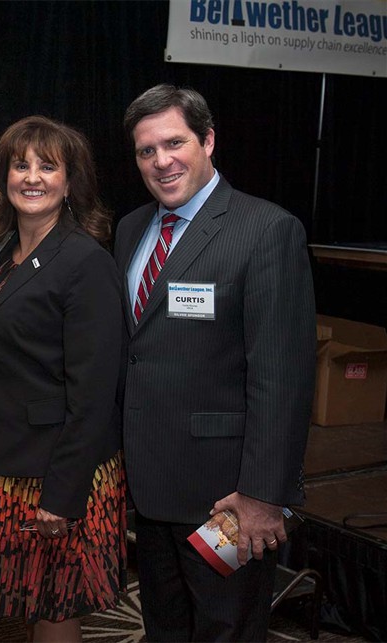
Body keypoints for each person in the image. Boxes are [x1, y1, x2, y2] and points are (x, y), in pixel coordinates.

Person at [115, 84, 315, 641]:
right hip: (150, 489)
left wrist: (263, 494)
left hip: (226, 497)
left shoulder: (266, 231)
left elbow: (283, 378)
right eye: (146, 151)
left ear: (207, 140)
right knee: (165, 628)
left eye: (174, 142)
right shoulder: (131, 230)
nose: (161, 161)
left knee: (225, 631)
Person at [0, 116, 128, 642]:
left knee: (55, 603)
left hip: (55, 468)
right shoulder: (6, 252)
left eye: (48, 167)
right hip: (6, 454)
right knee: (32, 597)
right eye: (20, 165)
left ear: (70, 182)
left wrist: (63, 494)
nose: (32, 176)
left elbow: (94, 396)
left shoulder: (84, 261)